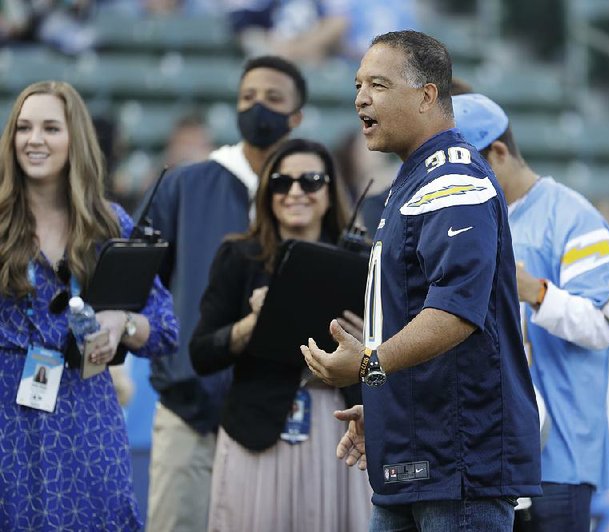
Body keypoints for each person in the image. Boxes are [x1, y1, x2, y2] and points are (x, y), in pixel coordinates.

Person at [301, 30, 542, 530]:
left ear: (428, 95)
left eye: (379, 85)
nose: (360, 97)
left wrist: (367, 366)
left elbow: (456, 312)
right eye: (358, 84)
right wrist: (388, 406)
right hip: (418, 451)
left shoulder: (452, 177)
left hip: (459, 464)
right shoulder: (413, 180)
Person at [0, 80, 178, 530]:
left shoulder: (108, 222)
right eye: (23, 128)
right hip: (6, 416)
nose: (34, 139)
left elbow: (164, 328)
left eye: (50, 128)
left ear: (74, 139)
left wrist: (122, 322)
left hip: (88, 418)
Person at [144, 55, 307, 532]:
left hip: (280, 414)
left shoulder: (312, 189)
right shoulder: (185, 184)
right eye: (248, 98)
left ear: (296, 116)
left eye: (273, 99)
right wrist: (173, 364)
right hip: (189, 409)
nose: (259, 107)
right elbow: (145, 283)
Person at [453, 93, 609, 532]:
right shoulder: (463, 217)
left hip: (558, 457)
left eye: (465, 167)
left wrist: (536, 292)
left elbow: (608, 322)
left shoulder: (573, 217)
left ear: (497, 153)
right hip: (478, 452)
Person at [189, 138, 371, 531]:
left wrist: (369, 347)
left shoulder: (363, 260)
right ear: (266, 192)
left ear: (330, 190)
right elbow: (202, 353)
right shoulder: (239, 256)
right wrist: (254, 323)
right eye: (281, 182)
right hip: (258, 425)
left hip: (340, 426)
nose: (295, 192)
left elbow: (390, 364)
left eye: (311, 180)